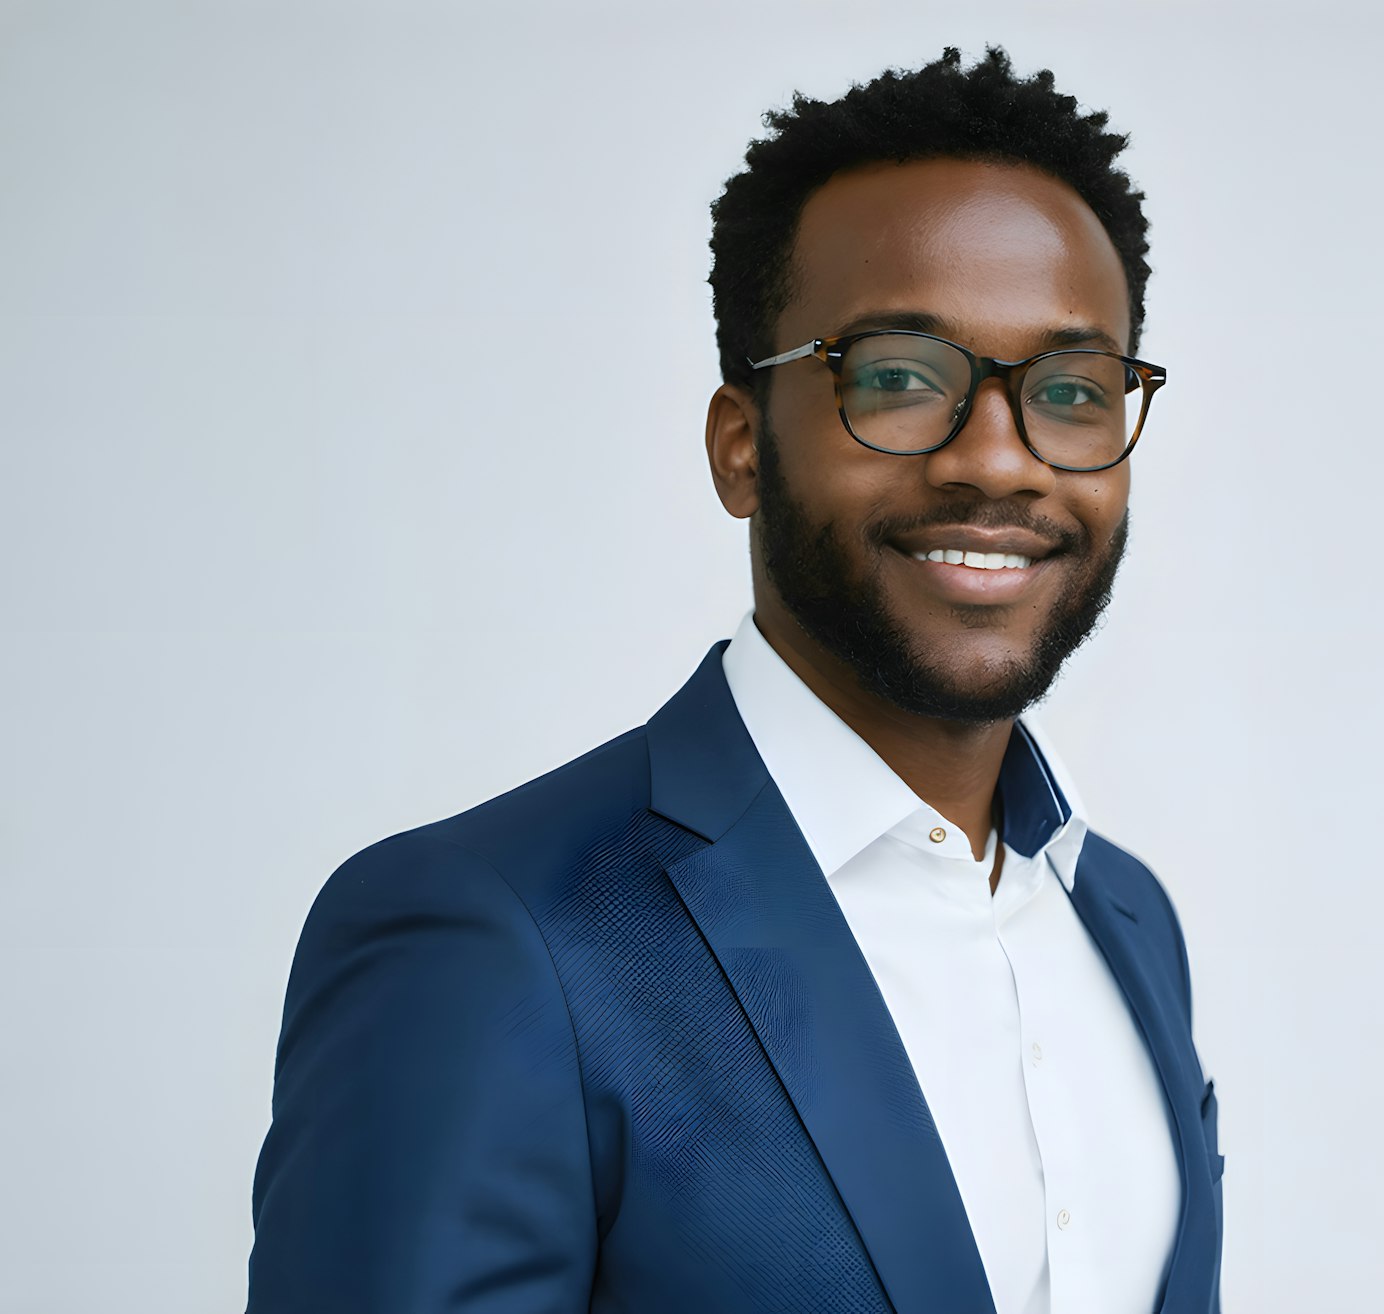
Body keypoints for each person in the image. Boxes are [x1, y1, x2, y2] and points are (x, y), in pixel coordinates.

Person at [247, 46, 1223, 1314]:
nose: (1002, 460)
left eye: (1074, 391)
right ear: (741, 448)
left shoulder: (1124, 921)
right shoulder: (495, 938)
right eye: (900, 377)